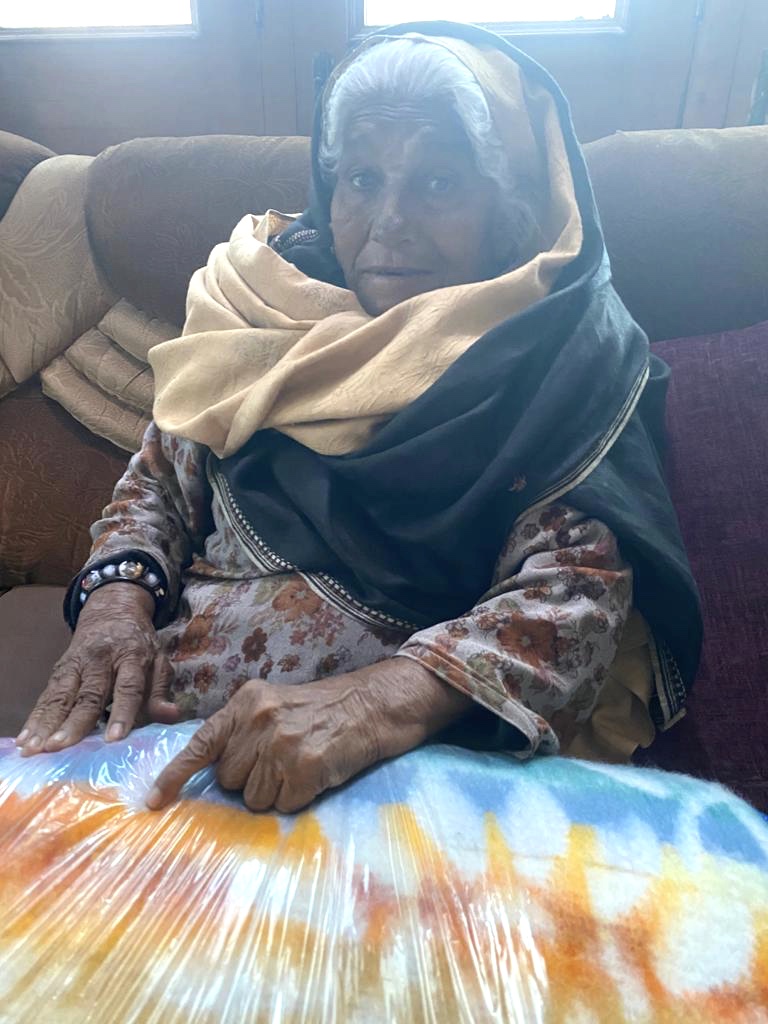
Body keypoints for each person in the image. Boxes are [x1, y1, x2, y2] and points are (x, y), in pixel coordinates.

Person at [16, 22, 701, 814]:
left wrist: (374, 705)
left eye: (437, 182)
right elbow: (158, 488)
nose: (389, 220)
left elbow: (575, 596)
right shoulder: (260, 314)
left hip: (392, 784)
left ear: (507, 205)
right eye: (363, 179)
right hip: (162, 753)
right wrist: (115, 606)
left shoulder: (556, 353)